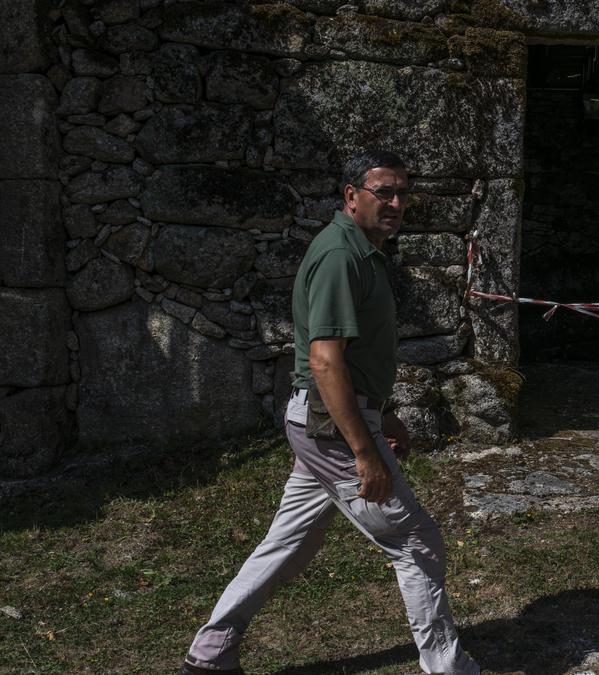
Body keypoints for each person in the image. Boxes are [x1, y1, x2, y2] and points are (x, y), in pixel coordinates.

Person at [181, 150, 479, 675]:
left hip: (323, 421)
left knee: (291, 542)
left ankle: (210, 656)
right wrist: (366, 450)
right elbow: (323, 361)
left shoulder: (362, 252)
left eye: (402, 192)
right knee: (414, 540)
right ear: (351, 196)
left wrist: (380, 415)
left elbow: (350, 360)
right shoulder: (343, 256)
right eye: (382, 191)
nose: (394, 202)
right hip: (332, 429)